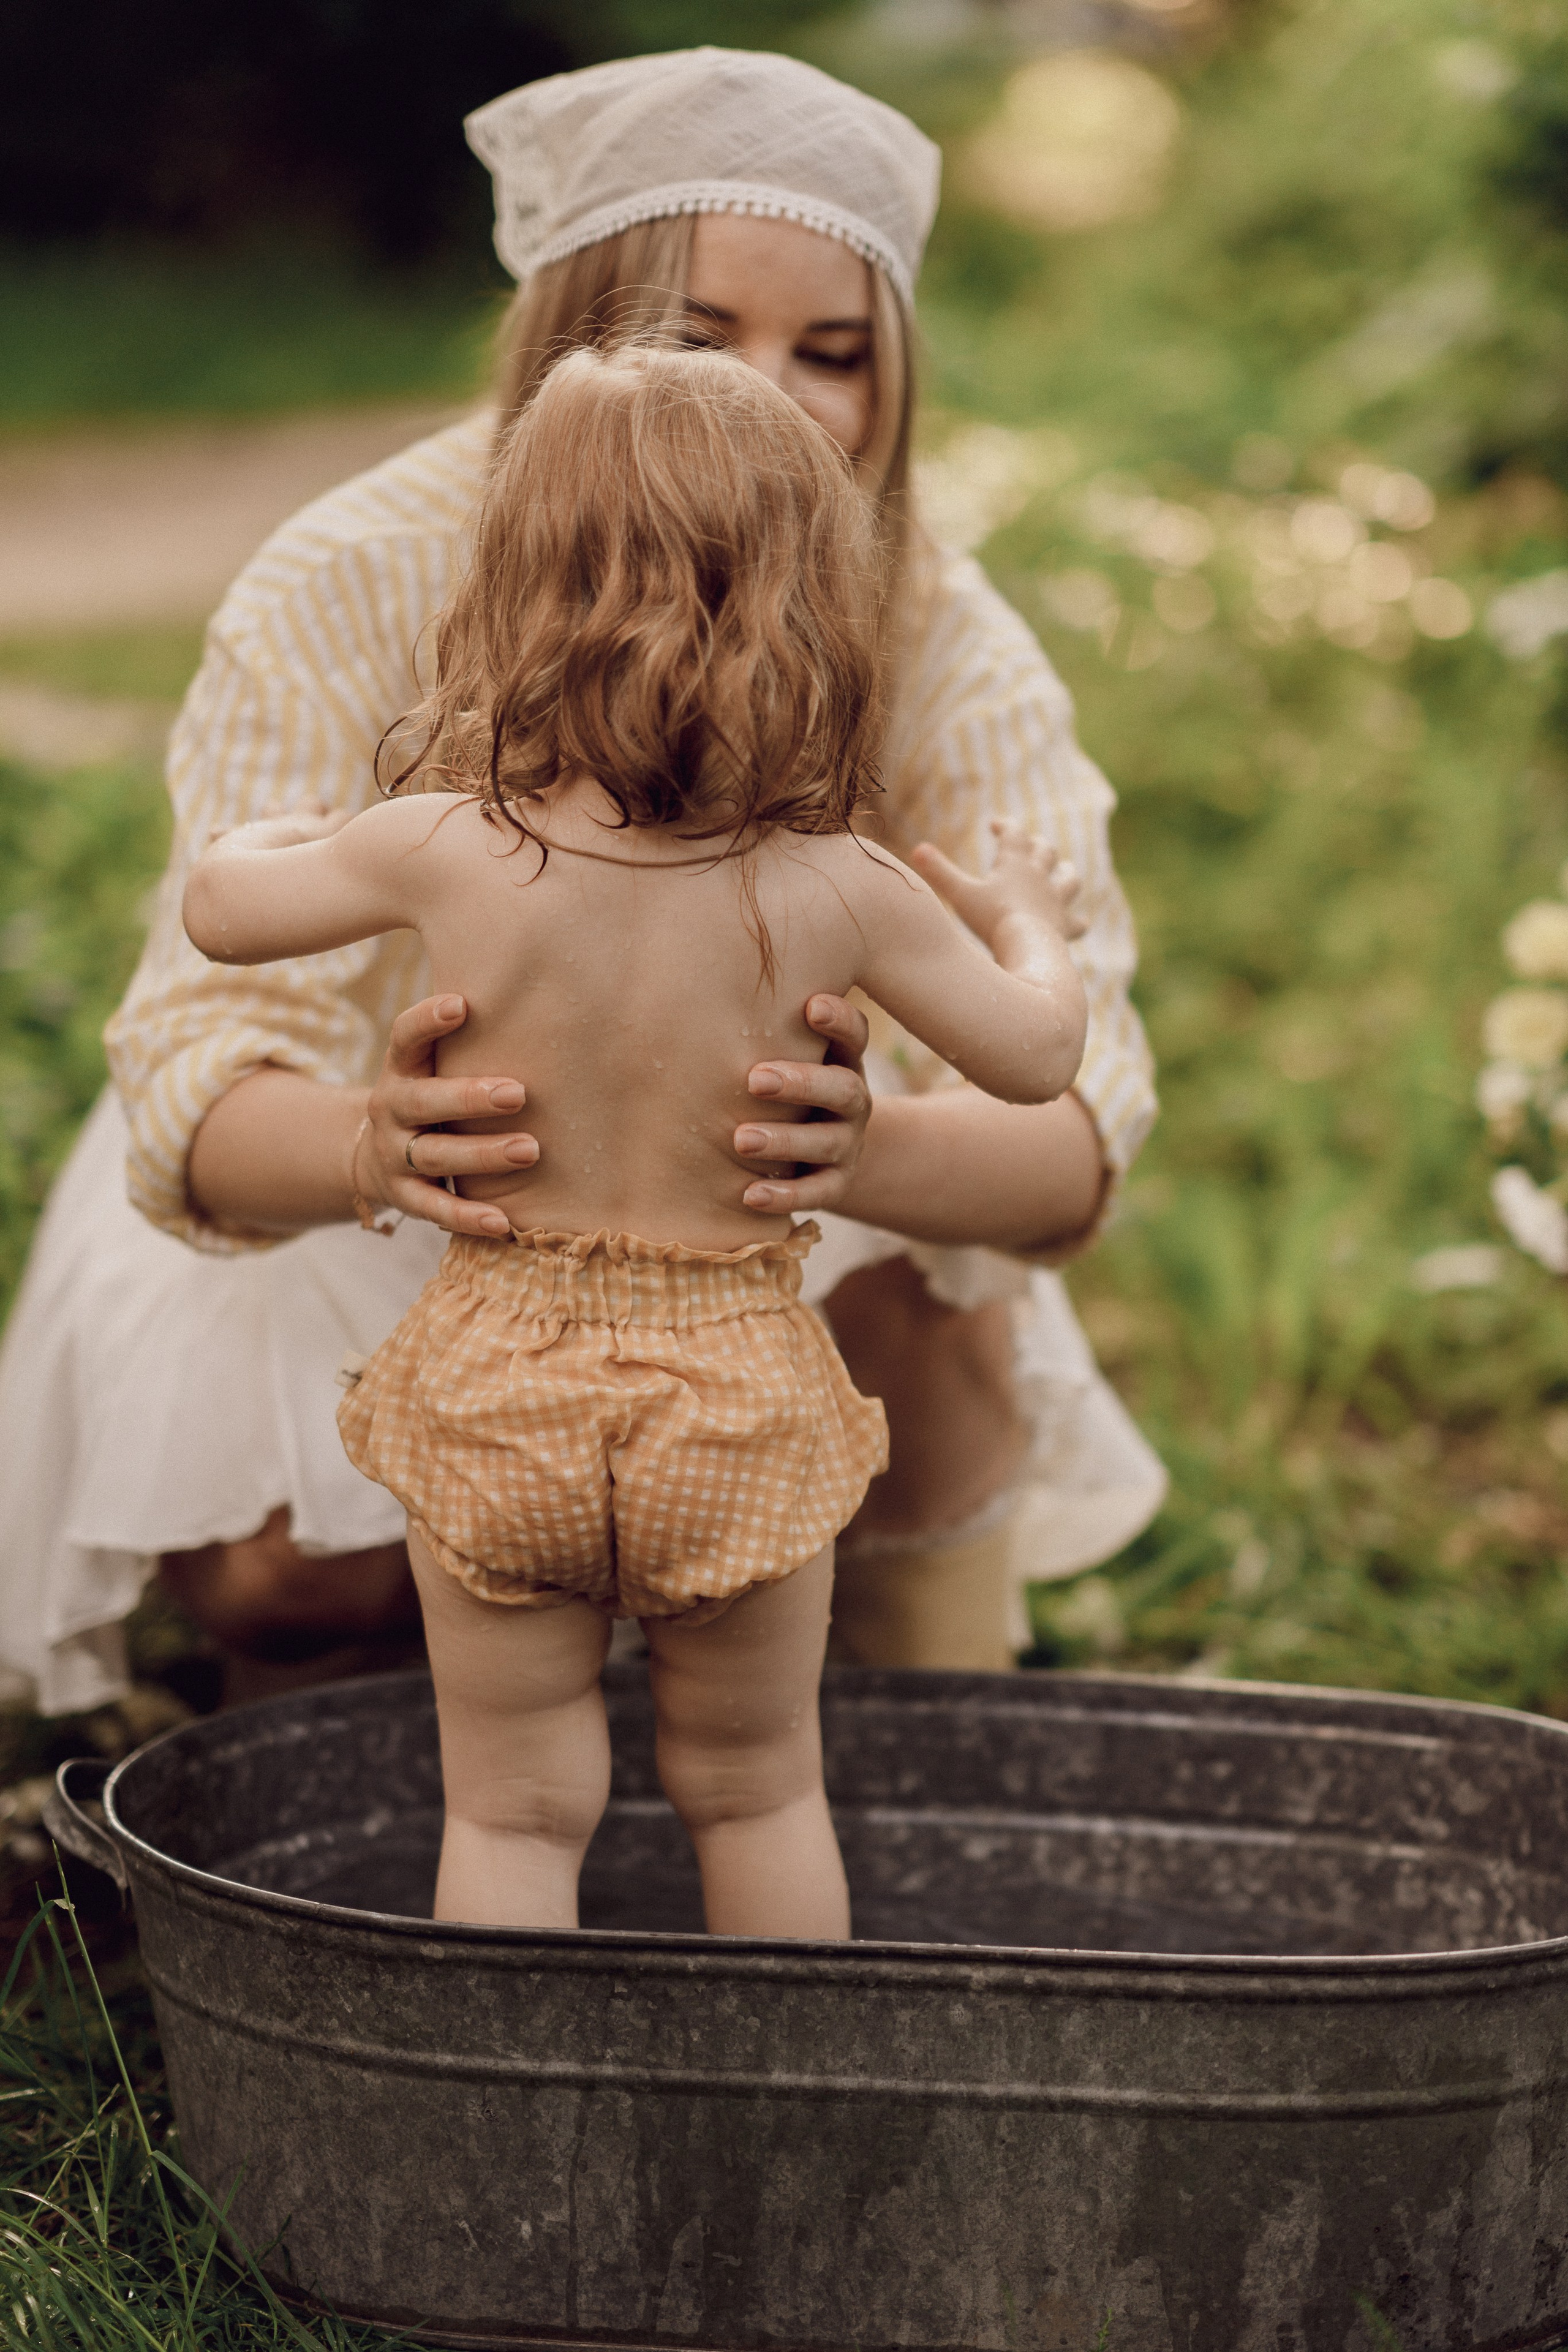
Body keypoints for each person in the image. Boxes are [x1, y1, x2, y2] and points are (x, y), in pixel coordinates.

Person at [0, 47, 1159, 1719]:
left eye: (832, 353)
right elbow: (206, 1040)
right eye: (699, 339)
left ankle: (907, 1768)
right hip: (396, 1188)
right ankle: (370, 1735)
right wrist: (373, 1142)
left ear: (890, 386)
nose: (768, 398)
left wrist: (870, 1144)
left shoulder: (939, 631)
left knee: (934, 1309)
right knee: (294, 1558)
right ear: (566, 355)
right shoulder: (358, 572)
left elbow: (1068, 1136)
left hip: (740, 1214)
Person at [182, 342, 1088, 1932]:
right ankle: (777, 2130)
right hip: (733, 1405)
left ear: (512, 593)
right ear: (816, 604)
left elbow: (223, 910)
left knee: (518, 1806)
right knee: (756, 1787)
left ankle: (517, 2139)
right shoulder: (839, 885)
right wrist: (1029, 924)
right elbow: (1037, 1057)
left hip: (501, 1389)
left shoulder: (445, 844)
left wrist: (275, 837)